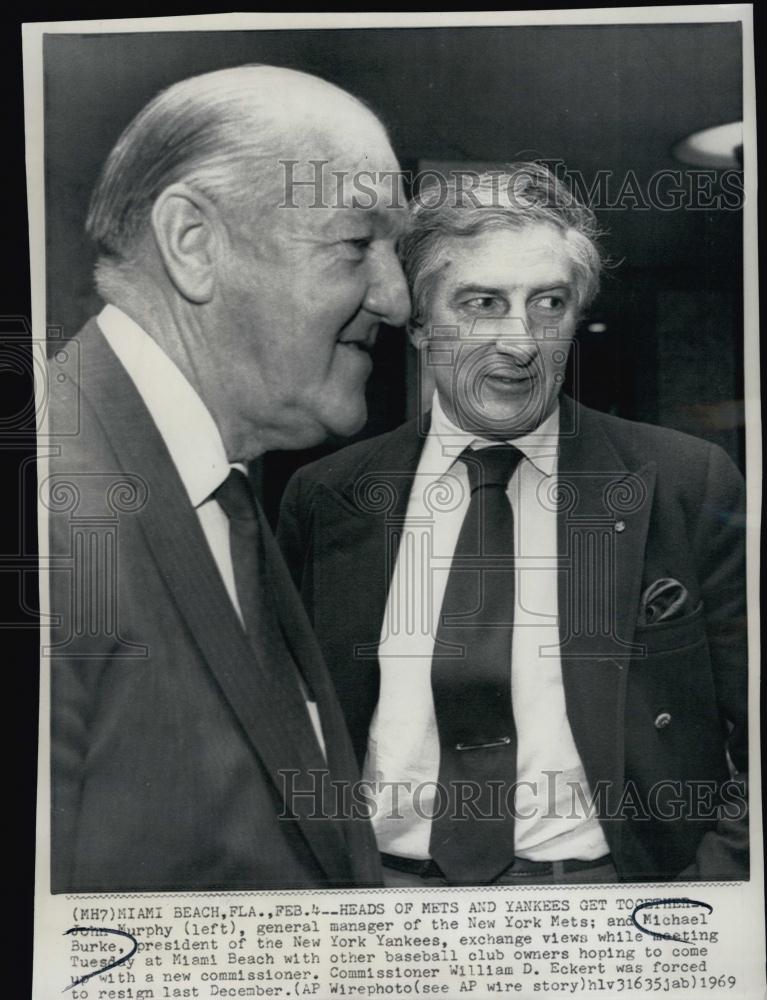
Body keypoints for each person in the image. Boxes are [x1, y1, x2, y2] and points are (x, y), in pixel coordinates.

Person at [278, 163, 748, 885]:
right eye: (482, 302)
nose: (521, 341)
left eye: (548, 303)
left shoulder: (684, 481)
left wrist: (708, 889)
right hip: (384, 896)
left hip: (608, 899)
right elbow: (282, 733)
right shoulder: (328, 496)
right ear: (420, 323)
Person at [46, 64, 410, 892]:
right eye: (356, 244)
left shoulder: (228, 494)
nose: (395, 298)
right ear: (194, 245)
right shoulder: (50, 503)